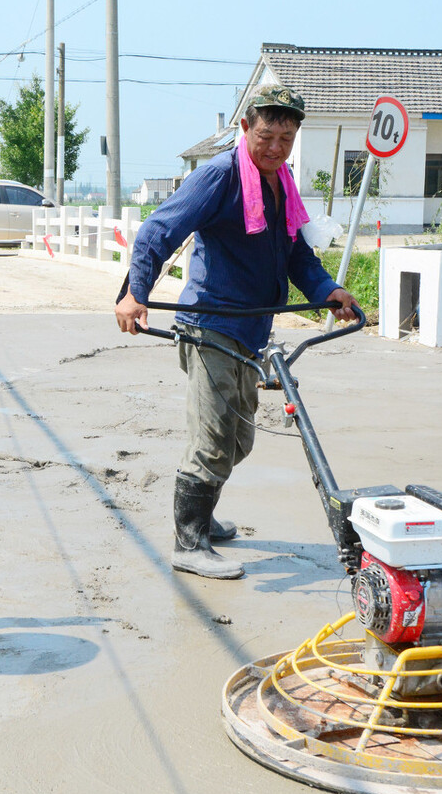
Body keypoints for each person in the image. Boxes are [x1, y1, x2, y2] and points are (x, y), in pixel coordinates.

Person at [114, 84, 357, 580]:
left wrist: (327, 289)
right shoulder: (219, 176)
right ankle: (189, 541)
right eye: (266, 136)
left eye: (286, 139)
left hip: (251, 329)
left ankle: (201, 514)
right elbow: (159, 230)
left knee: (238, 438)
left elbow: (294, 254)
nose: (275, 148)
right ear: (244, 128)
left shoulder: (280, 182)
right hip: (210, 324)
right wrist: (135, 291)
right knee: (213, 439)